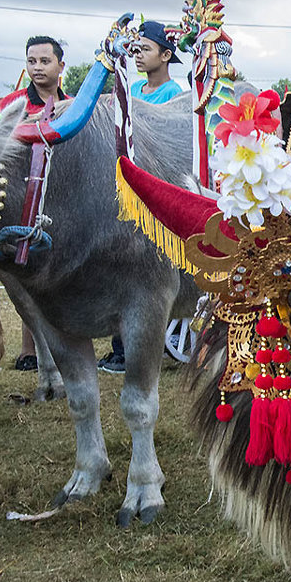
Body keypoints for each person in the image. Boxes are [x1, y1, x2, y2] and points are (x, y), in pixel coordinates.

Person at [97, 22, 183, 374]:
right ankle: (123, 345)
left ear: (165, 55)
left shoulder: (177, 95)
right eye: (134, 51)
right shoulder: (130, 89)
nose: (138, 56)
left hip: (159, 186)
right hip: (126, 186)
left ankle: (141, 344)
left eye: (144, 49)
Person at [0, 36, 71, 370]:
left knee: (58, 276)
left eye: (45, 61)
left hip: (63, 199)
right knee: (27, 274)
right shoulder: (13, 105)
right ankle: (31, 351)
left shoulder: (73, 106)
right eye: (32, 61)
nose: (38, 67)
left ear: (60, 66)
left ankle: (63, 349)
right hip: (23, 200)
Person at [131, 20, 184, 103]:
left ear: (166, 55)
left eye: (146, 49)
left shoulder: (173, 93)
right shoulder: (134, 89)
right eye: (137, 48)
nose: (138, 55)